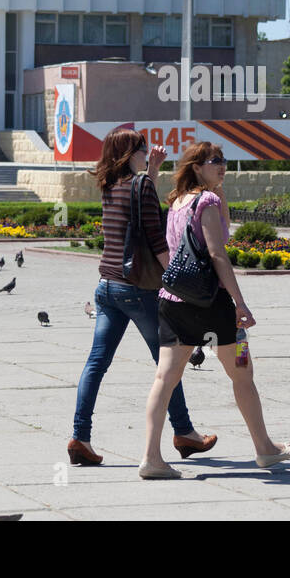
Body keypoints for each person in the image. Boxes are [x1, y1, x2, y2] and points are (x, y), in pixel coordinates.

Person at [138, 141, 290, 479]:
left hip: (173, 302)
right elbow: (217, 253)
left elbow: (213, 233)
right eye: (215, 161)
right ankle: (265, 449)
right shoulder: (205, 200)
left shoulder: (178, 201)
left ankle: (151, 458)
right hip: (213, 305)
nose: (222, 165)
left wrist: (219, 190)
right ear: (196, 166)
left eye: (224, 160)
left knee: (164, 378)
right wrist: (240, 303)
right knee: (242, 373)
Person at [69, 129, 216, 467]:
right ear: (129, 153)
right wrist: (181, 280)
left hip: (107, 287)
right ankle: (184, 432)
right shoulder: (141, 185)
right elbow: (156, 238)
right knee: (169, 364)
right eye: (142, 149)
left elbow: (138, 206)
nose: (146, 152)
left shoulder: (108, 185)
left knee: (96, 364)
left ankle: (80, 437)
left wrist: (151, 171)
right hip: (139, 290)